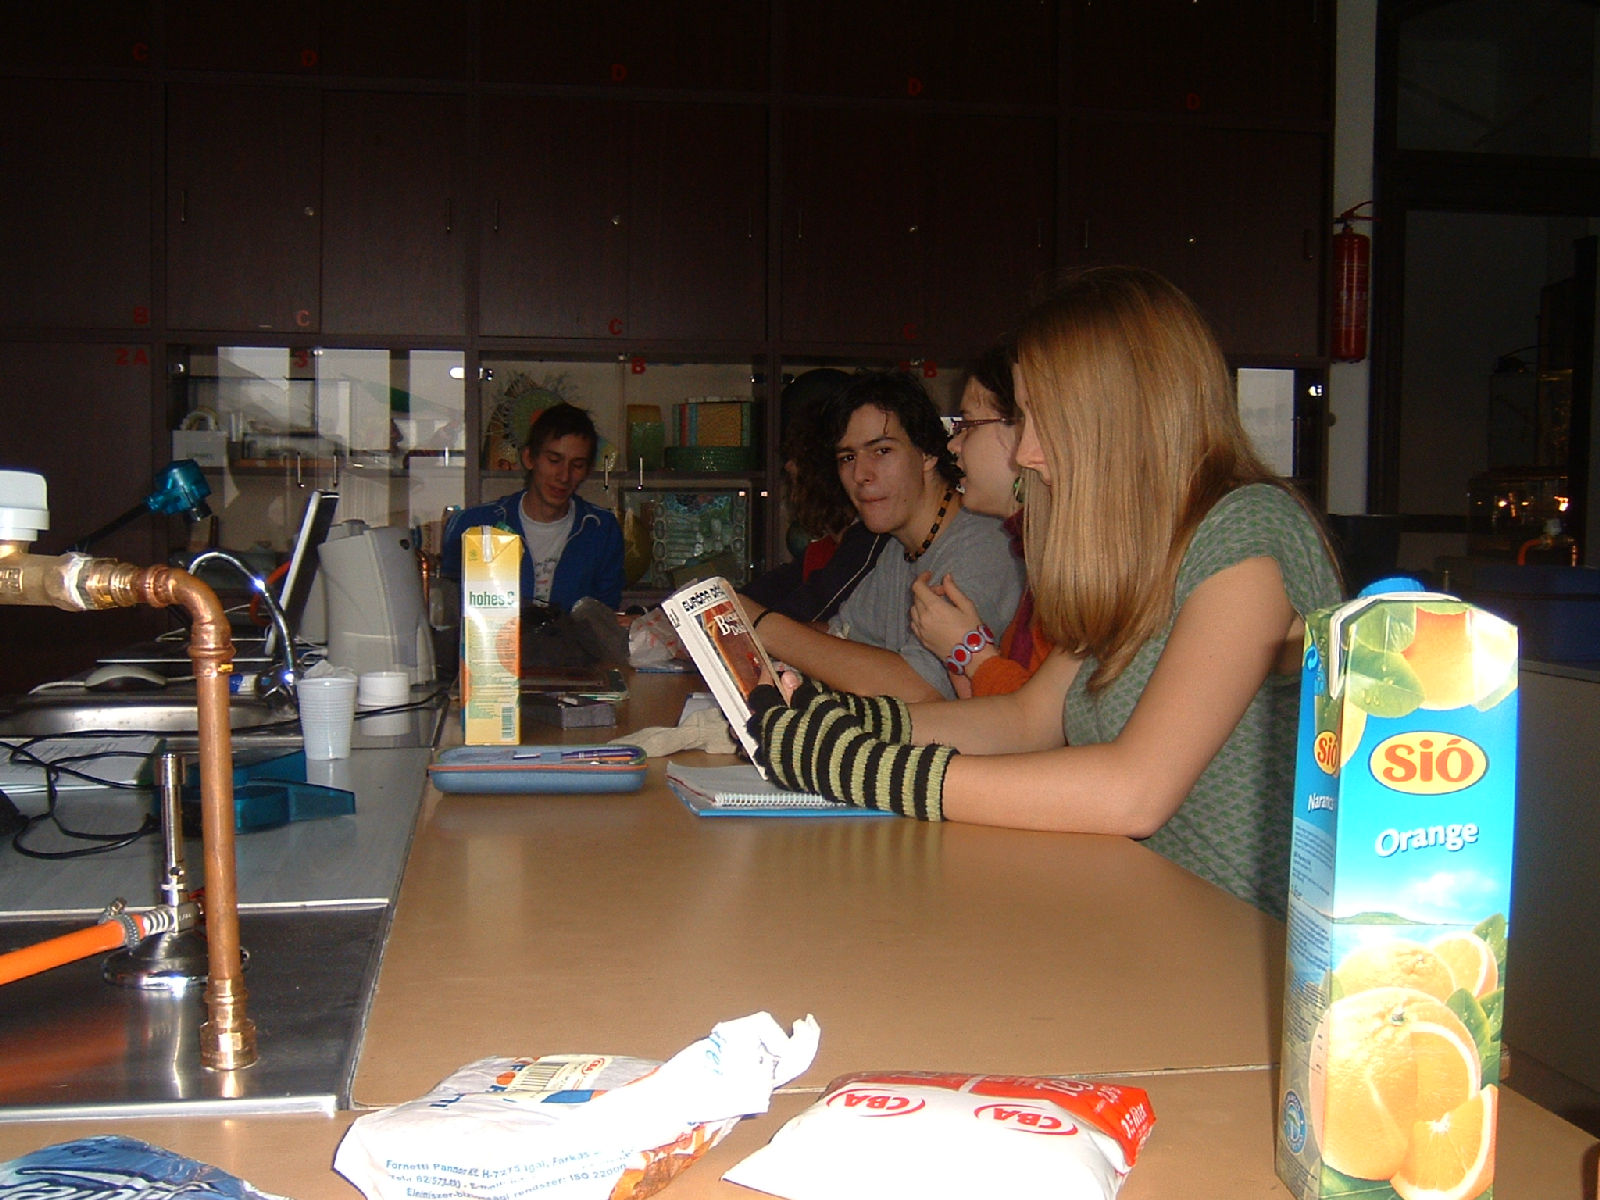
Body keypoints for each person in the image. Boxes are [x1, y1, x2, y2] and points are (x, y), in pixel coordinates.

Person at [749, 267, 1343, 917]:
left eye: (1040, 418)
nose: (1025, 452)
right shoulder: (1128, 552)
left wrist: (861, 766)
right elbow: (1029, 720)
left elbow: (1135, 790)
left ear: (1119, 412)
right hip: (1134, 912)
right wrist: (842, 720)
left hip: (1236, 943)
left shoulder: (1249, 530)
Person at [741, 369, 1025, 701]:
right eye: (848, 457)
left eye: (882, 451)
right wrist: (743, 630)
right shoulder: (898, 547)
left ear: (928, 452)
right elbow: (842, 640)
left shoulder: (984, 544)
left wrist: (760, 624)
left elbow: (923, 689)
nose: (861, 474)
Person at [910, 341, 1052, 698]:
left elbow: (1046, 722)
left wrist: (969, 652)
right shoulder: (1035, 551)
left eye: (970, 425)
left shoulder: (1071, 563)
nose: (954, 445)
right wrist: (962, 656)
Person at [440, 402, 624, 611]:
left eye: (577, 465)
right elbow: (451, 609)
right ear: (529, 458)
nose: (564, 476)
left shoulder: (601, 530)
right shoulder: (475, 525)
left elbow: (604, 615)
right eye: (554, 460)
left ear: (588, 470)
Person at [741, 367, 889, 624]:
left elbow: (804, 612)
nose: (789, 467)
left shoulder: (868, 542)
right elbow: (764, 592)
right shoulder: (827, 549)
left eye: (798, 457)